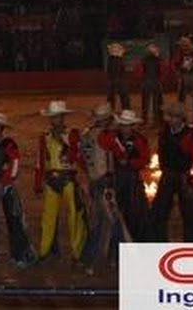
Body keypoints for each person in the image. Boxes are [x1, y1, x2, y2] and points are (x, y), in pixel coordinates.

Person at [0, 112, 36, 268]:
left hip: (5, 187)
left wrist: (2, 183)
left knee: (13, 221)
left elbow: (14, 166)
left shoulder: (8, 145)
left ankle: (18, 254)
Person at [34, 100, 88, 263]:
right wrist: (38, 184)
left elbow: (78, 157)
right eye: (53, 117)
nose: (55, 120)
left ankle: (77, 253)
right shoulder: (44, 136)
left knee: (74, 217)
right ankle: (44, 250)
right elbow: (40, 161)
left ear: (63, 117)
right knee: (48, 217)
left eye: (58, 117)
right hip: (51, 179)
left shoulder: (72, 134)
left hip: (69, 178)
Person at [79, 103, 128, 274]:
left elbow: (81, 160)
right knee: (114, 221)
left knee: (96, 222)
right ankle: (114, 258)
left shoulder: (85, 135)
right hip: (105, 183)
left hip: (93, 181)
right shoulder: (107, 136)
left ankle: (88, 260)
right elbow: (122, 154)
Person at [150, 101, 193, 242]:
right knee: (159, 212)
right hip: (168, 174)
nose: (171, 119)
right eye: (170, 116)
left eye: (174, 117)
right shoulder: (164, 133)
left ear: (181, 118)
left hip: (184, 176)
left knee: (190, 215)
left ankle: (192, 244)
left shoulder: (190, 135)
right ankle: (158, 243)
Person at [112, 109, 151, 243]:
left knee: (135, 214)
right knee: (115, 213)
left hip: (132, 180)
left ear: (133, 126)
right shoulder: (113, 138)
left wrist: (130, 163)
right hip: (116, 178)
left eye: (128, 126)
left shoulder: (139, 140)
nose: (125, 129)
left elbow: (145, 159)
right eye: (123, 125)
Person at [172, 37, 193, 125]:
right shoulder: (181, 54)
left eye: (184, 45)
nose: (183, 47)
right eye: (182, 45)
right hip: (184, 77)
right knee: (183, 100)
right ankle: (183, 119)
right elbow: (174, 64)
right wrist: (177, 72)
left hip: (191, 77)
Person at [140, 43, 163, 124]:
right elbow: (161, 71)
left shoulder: (143, 60)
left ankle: (145, 119)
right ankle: (157, 120)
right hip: (155, 81)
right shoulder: (158, 60)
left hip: (146, 81)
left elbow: (140, 72)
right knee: (157, 102)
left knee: (145, 102)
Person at [106, 43, 130, 111]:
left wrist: (119, 49)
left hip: (118, 79)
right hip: (114, 79)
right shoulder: (112, 58)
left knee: (124, 95)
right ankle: (111, 110)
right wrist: (113, 48)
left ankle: (126, 109)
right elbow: (112, 52)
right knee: (111, 96)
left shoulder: (119, 58)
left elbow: (122, 51)